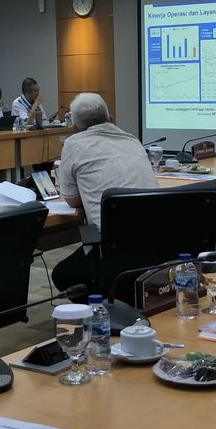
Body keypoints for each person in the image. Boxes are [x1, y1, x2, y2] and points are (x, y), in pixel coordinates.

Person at [50, 93, 157, 291]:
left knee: (62, 276)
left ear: (75, 127)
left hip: (113, 249)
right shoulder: (132, 140)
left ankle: (102, 310)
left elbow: (72, 201)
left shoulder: (74, 144)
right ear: (111, 118)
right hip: (156, 242)